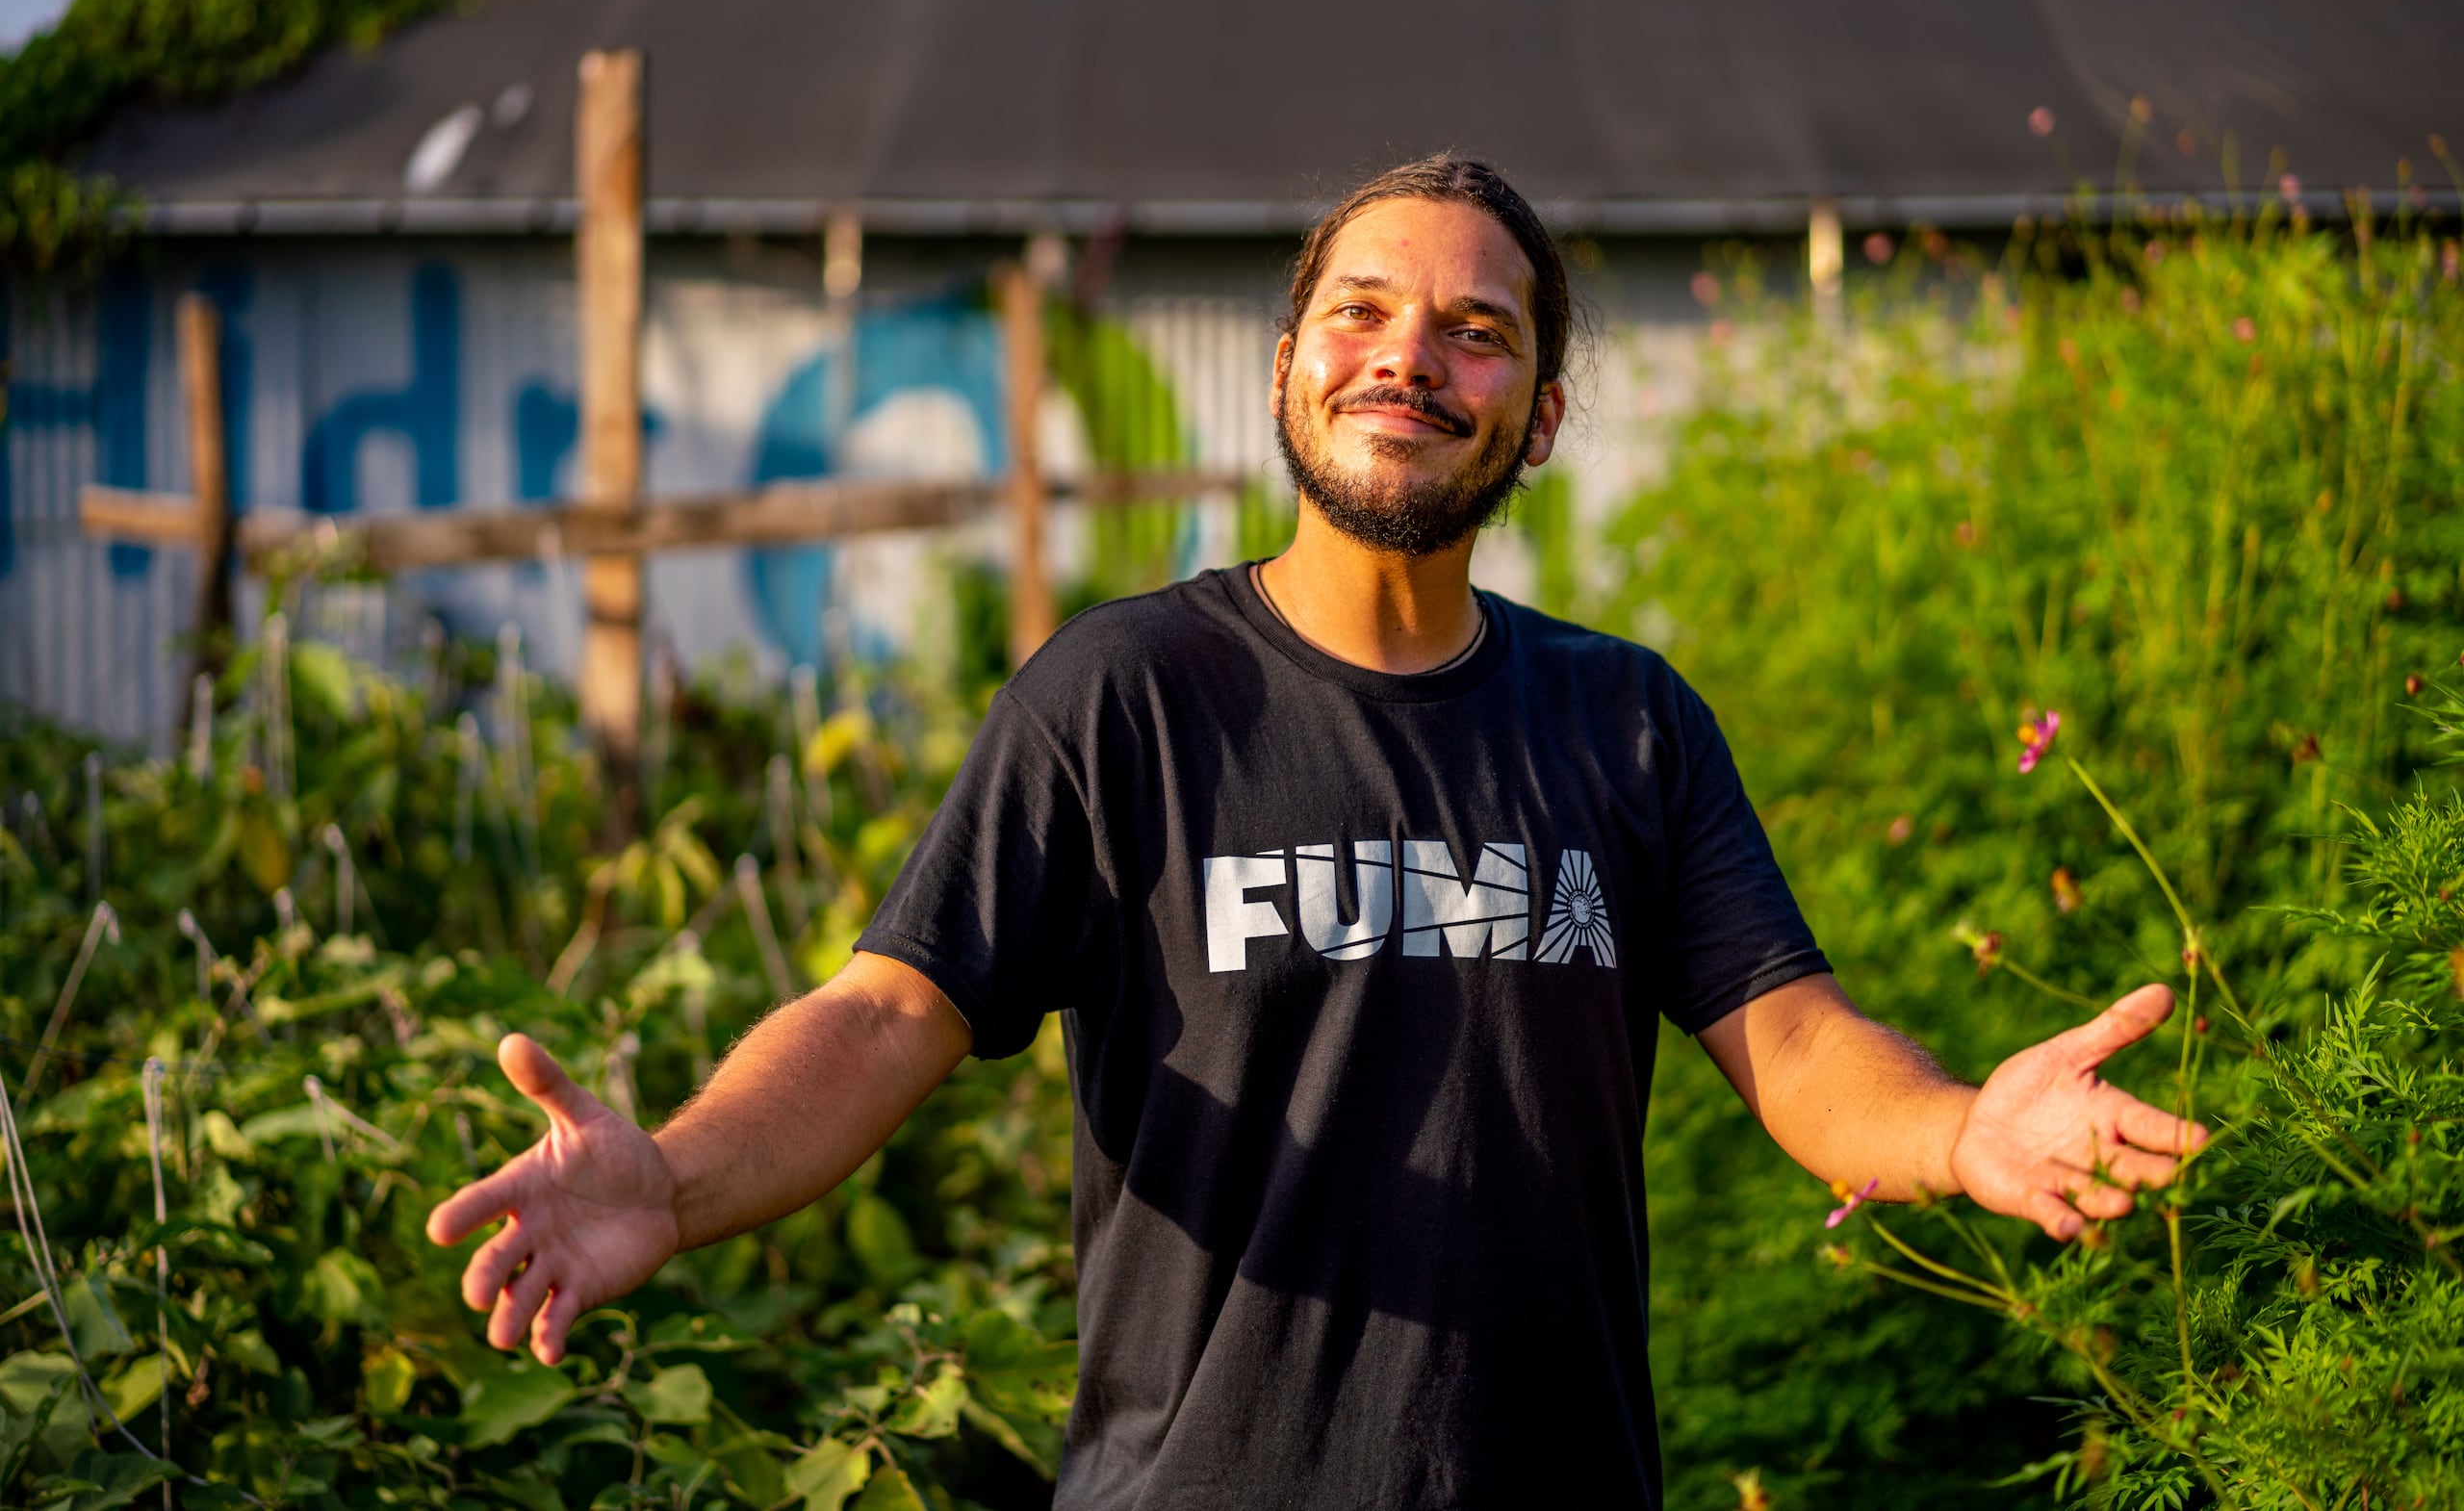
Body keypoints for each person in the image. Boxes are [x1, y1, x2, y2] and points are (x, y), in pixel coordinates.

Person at [427, 154, 2206, 1508]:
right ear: (1287, 368)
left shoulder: (1630, 721)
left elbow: (1796, 1040)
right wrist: (672, 1172)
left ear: (1540, 415)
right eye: (1361, 311)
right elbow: (895, 1009)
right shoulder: (1123, 698)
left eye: (1475, 330)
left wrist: (1965, 1128)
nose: (1408, 357)